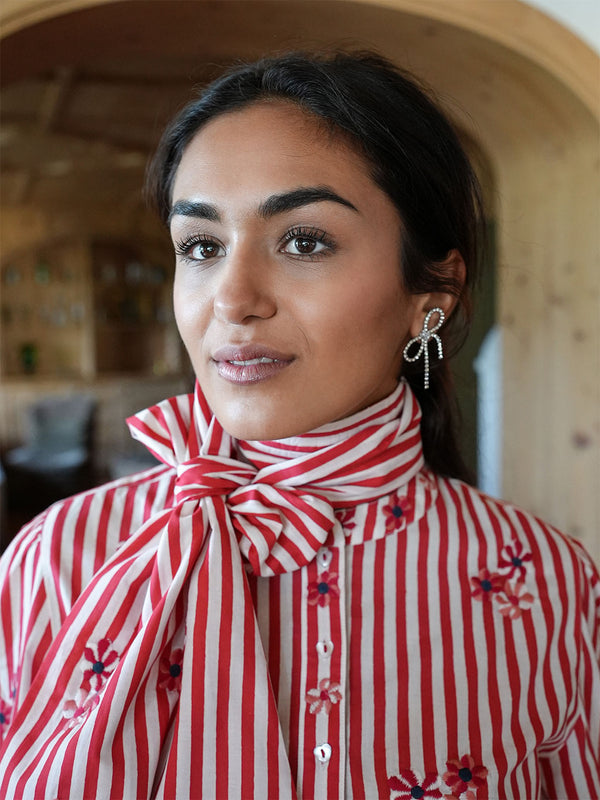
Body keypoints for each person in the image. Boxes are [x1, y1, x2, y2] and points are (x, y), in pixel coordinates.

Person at [0, 51, 598, 800]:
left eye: (304, 241)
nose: (233, 297)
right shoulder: (56, 562)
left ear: (433, 294)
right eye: (202, 246)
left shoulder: (544, 586)